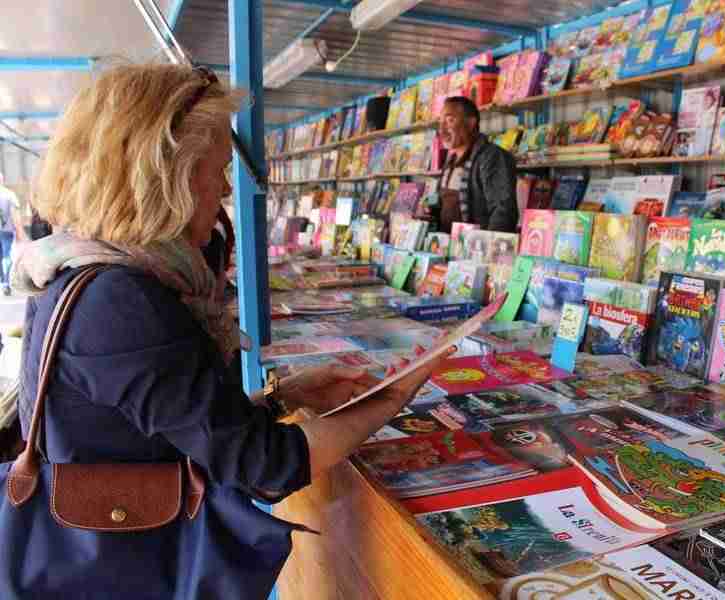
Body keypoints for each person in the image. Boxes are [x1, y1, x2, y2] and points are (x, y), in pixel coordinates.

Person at [11, 63, 452, 592]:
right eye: (217, 169)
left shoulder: (75, 269)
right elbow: (265, 466)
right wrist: (391, 397)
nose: (224, 188)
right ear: (168, 174)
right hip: (129, 565)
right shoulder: (120, 302)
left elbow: (177, 420)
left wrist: (283, 397)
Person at [430, 96, 518, 233]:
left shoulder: (492, 157)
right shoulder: (450, 160)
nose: (441, 130)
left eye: (450, 121)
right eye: (440, 122)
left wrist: (486, 245)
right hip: (446, 243)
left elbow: (504, 213)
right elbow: (441, 205)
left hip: (475, 244)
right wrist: (428, 211)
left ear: (471, 123)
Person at [0, 173, 20, 296]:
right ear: (2, 180)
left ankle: (3, 282)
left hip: (5, 231)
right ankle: (6, 283)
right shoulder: (9, 194)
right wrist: (19, 232)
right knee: (7, 256)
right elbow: (15, 214)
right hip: (6, 230)